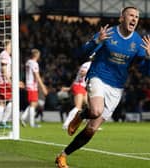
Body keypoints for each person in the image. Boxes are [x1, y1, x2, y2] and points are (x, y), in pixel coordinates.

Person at [55, 6, 150, 168]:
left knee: (91, 128)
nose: (134, 19)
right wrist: (95, 41)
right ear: (121, 18)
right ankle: (83, 114)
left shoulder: (137, 42)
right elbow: (81, 54)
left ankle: (62, 155)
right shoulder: (108, 33)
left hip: (117, 86)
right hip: (98, 76)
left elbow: (144, 71)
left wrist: (148, 58)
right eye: (131, 15)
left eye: (137, 17)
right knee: (96, 111)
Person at [21, 49, 48, 127]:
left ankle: (23, 118)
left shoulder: (28, 62)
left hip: (29, 84)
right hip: (32, 85)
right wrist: (43, 87)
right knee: (33, 104)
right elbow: (36, 75)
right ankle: (32, 123)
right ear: (37, 55)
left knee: (34, 103)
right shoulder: (34, 63)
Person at [62, 61, 91, 129]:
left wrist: (69, 88)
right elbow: (82, 72)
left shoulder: (93, 65)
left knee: (89, 107)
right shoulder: (87, 64)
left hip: (83, 87)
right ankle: (67, 124)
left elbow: (76, 77)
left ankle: (90, 125)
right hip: (79, 86)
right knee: (78, 107)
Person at [0, 39, 12, 128]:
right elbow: (4, 68)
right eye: (10, 45)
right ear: (6, 46)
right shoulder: (5, 54)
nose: (11, 47)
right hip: (4, 81)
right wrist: (9, 80)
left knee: (2, 102)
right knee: (12, 101)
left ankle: (0, 122)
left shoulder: (4, 54)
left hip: (1, 81)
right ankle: (2, 121)